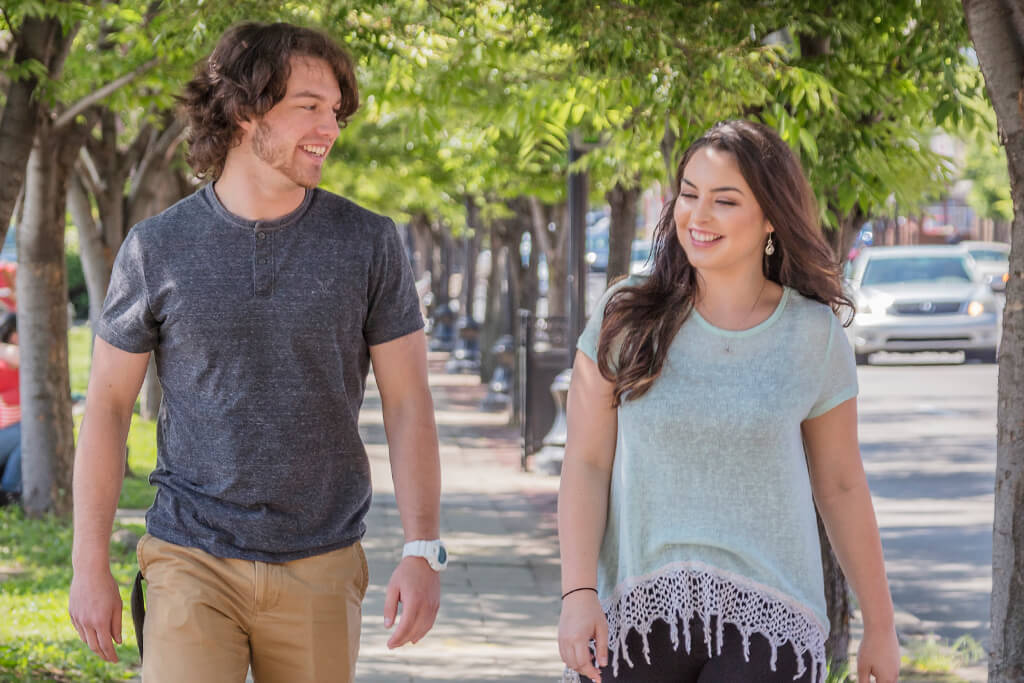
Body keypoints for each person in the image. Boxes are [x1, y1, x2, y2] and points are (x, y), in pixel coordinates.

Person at [68, 22, 445, 683]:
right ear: (245, 110)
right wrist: (87, 563)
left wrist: (422, 548)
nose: (328, 125)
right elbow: (106, 405)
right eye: (308, 106)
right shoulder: (158, 247)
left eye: (334, 110)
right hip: (189, 554)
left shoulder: (368, 243)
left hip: (321, 558)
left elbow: (409, 401)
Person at [557, 120, 899, 683]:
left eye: (724, 200)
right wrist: (577, 594)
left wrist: (880, 626)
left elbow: (840, 484)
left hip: (772, 623)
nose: (699, 215)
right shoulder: (625, 314)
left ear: (770, 217)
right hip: (635, 612)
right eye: (689, 194)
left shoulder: (812, 334)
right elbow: (586, 463)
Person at [0, 312, 20, 505]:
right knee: (26, 433)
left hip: (10, 435)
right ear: (13, 335)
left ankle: (10, 490)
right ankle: (9, 491)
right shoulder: (4, 366)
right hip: (6, 433)